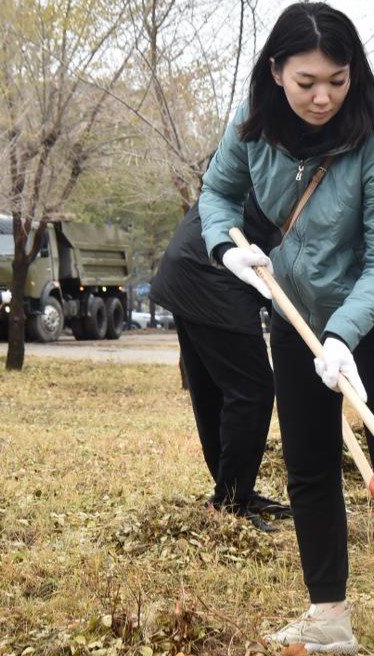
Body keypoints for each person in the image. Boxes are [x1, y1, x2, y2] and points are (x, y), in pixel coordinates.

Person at [199, 2, 374, 656]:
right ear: (276, 71)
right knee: (309, 465)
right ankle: (329, 618)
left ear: (354, 73)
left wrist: (344, 335)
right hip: (296, 315)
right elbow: (217, 193)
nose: (322, 97)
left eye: (337, 81)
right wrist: (225, 248)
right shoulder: (254, 124)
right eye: (306, 81)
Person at [150, 194, 290, 533]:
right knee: (253, 391)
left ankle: (231, 493)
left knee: (214, 391)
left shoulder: (263, 169)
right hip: (211, 273)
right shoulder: (282, 171)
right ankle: (231, 499)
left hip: (185, 267)